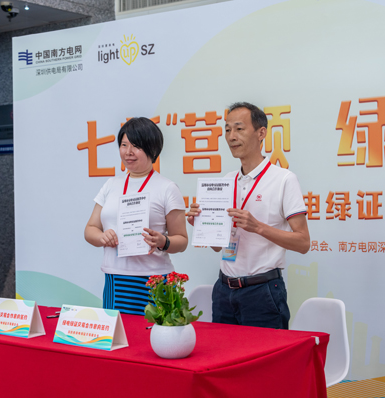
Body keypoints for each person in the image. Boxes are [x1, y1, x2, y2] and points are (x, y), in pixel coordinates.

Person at [187, 102, 310, 329]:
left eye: (239, 129)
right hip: (223, 290)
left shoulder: (283, 179)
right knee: (223, 352)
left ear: (261, 133)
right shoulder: (227, 181)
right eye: (227, 130)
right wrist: (203, 224)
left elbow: (303, 242)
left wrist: (258, 227)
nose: (231, 136)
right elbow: (217, 247)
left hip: (262, 291)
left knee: (266, 353)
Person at [85, 117, 188, 315]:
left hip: (155, 279)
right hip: (116, 278)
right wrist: (102, 237)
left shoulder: (167, 188)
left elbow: (182, 240)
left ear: (152, 149)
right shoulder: (111, 185)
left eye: (136, 146)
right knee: (118, 332)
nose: (128, 152)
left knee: (154, 333)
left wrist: (163, 241)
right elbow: (90, 229)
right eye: (124, 145)